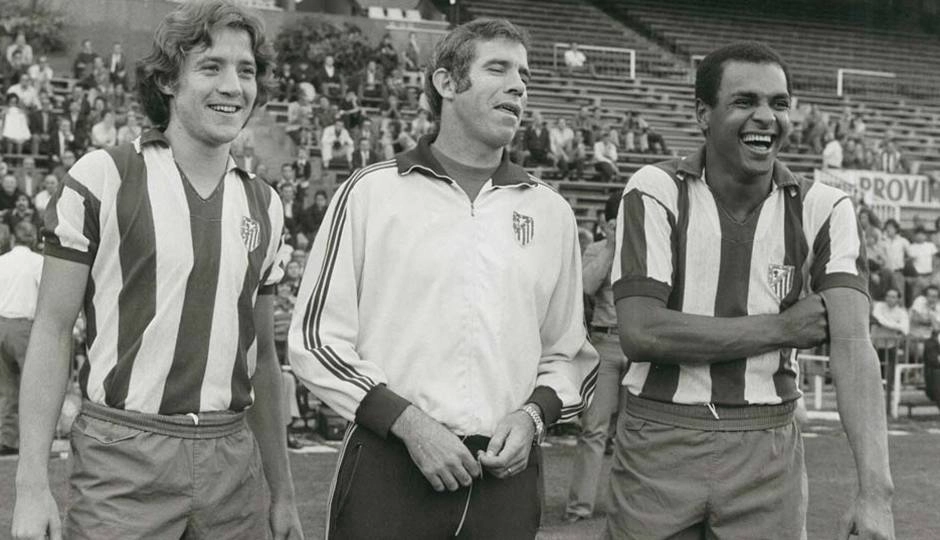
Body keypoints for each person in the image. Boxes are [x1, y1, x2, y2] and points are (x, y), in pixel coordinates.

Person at [289, 18, 597, 539]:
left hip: (507, 475)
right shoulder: (369, 193)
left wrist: (532, 419)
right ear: (446, 83)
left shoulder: (551, 212)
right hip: (391, 462)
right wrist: (409, 424)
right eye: (496, 68)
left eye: (523, 73)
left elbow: (568, 353)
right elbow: (316, 340)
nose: (518, 85)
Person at [11, 3, 303, 539]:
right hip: (123, 457)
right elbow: (51, 333)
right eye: (211, 66)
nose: (233, 86)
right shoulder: (104, 176)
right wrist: (31, 485)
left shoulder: (266, 204)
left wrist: (283, 493)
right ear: (168, 79)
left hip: (232, 464)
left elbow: (261, 359)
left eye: (246, 70)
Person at [607, 42, 893, 540]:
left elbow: (851, 345)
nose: (766, 117)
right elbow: (642, 332)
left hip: (768, 449)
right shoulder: (655, 189)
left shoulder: (826, 208)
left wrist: (876, 494)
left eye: (779, 103)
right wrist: (783, 328)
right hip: (660, 441)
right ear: (703, 113)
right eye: (744, 102)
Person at [563, 193, 627, 523]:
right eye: (616, 222)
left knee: (636, 432)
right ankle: (579, 508)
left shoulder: (648, 249)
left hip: (640, 348)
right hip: (607, 342)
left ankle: (627, 508)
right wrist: (612, 246)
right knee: (594, 429)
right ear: (604, 225)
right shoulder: (595, 250)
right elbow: (587, 288)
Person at [0, 222, 43, 456]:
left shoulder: (2, 261)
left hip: (1, 323)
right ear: (34, 240)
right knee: (33, 387)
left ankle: (7, 439)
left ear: (14, 240)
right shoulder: (38, 262)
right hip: (25, 326)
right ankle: (31, 440)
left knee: (6, 389)